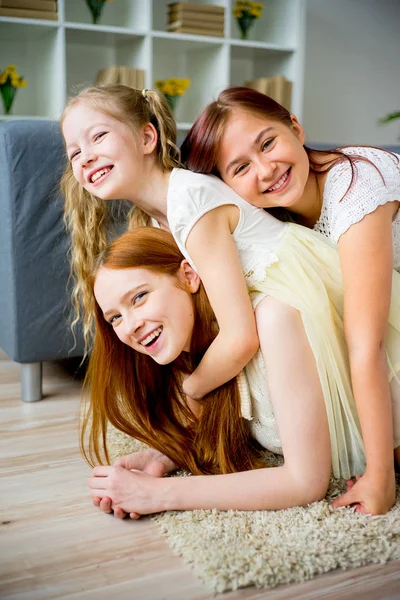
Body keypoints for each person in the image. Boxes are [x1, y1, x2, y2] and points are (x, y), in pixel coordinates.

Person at [61, 84, 400, 514]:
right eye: (73, 152)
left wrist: (192, 389)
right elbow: (211, 328)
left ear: (147, 138)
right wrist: (173, 450)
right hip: (289, 322)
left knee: (268, 322)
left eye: (97, 138)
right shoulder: (158, 217)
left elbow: (238, 338)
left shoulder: (189, 199)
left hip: (322, 314)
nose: (85, 156)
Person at [180, 87, 400, 515]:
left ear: (295, 128)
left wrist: (379, 478)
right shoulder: (276, 218)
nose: (266, 169)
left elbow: (365, 342)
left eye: (268, 143)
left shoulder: (357, 185)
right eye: (241, 167)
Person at [86, 227, 345, 517]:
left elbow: (306, 483)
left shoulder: (274, 317)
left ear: (188, 276)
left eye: (139, 297)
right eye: (115, 317)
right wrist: (170, 454)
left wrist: (158, 494)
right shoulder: (193, 358)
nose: (130, 325)